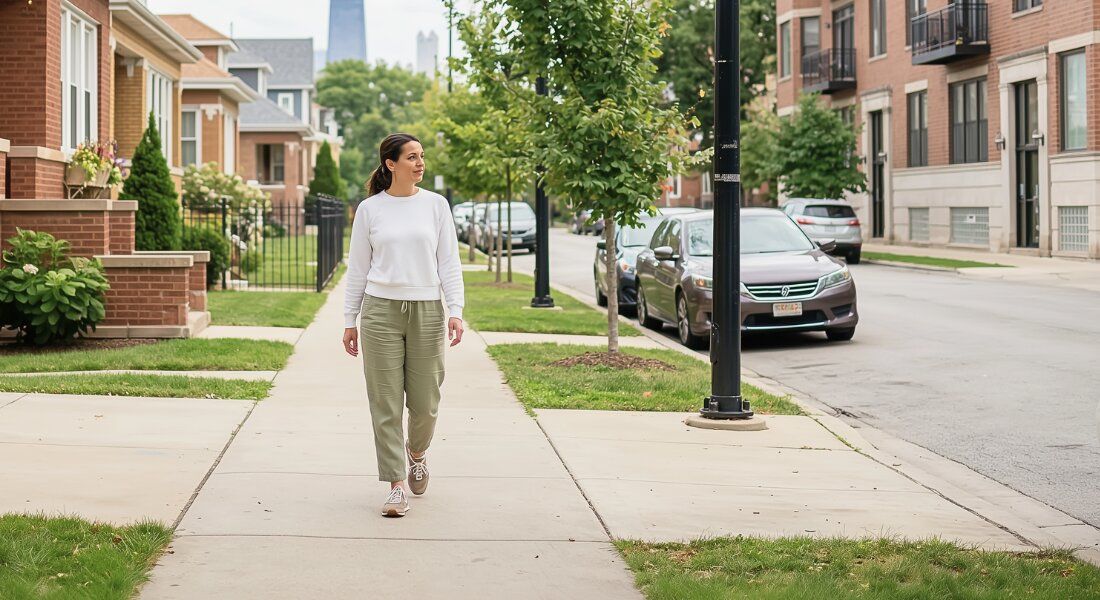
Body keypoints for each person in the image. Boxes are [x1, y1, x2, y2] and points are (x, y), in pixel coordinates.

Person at [342, 133, 465, 518]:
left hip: (427, 309)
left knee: (426, 402)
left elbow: (449, 262)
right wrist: (350, 320)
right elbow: (358, 269)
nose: (420, 163)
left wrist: (455, 309)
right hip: (380, 311)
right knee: (386, 403)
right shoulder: (369, 210)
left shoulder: (436, 205)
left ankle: (417, 452)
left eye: (421, 156)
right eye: (412, 157)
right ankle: (396, 484)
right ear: (390, 164)